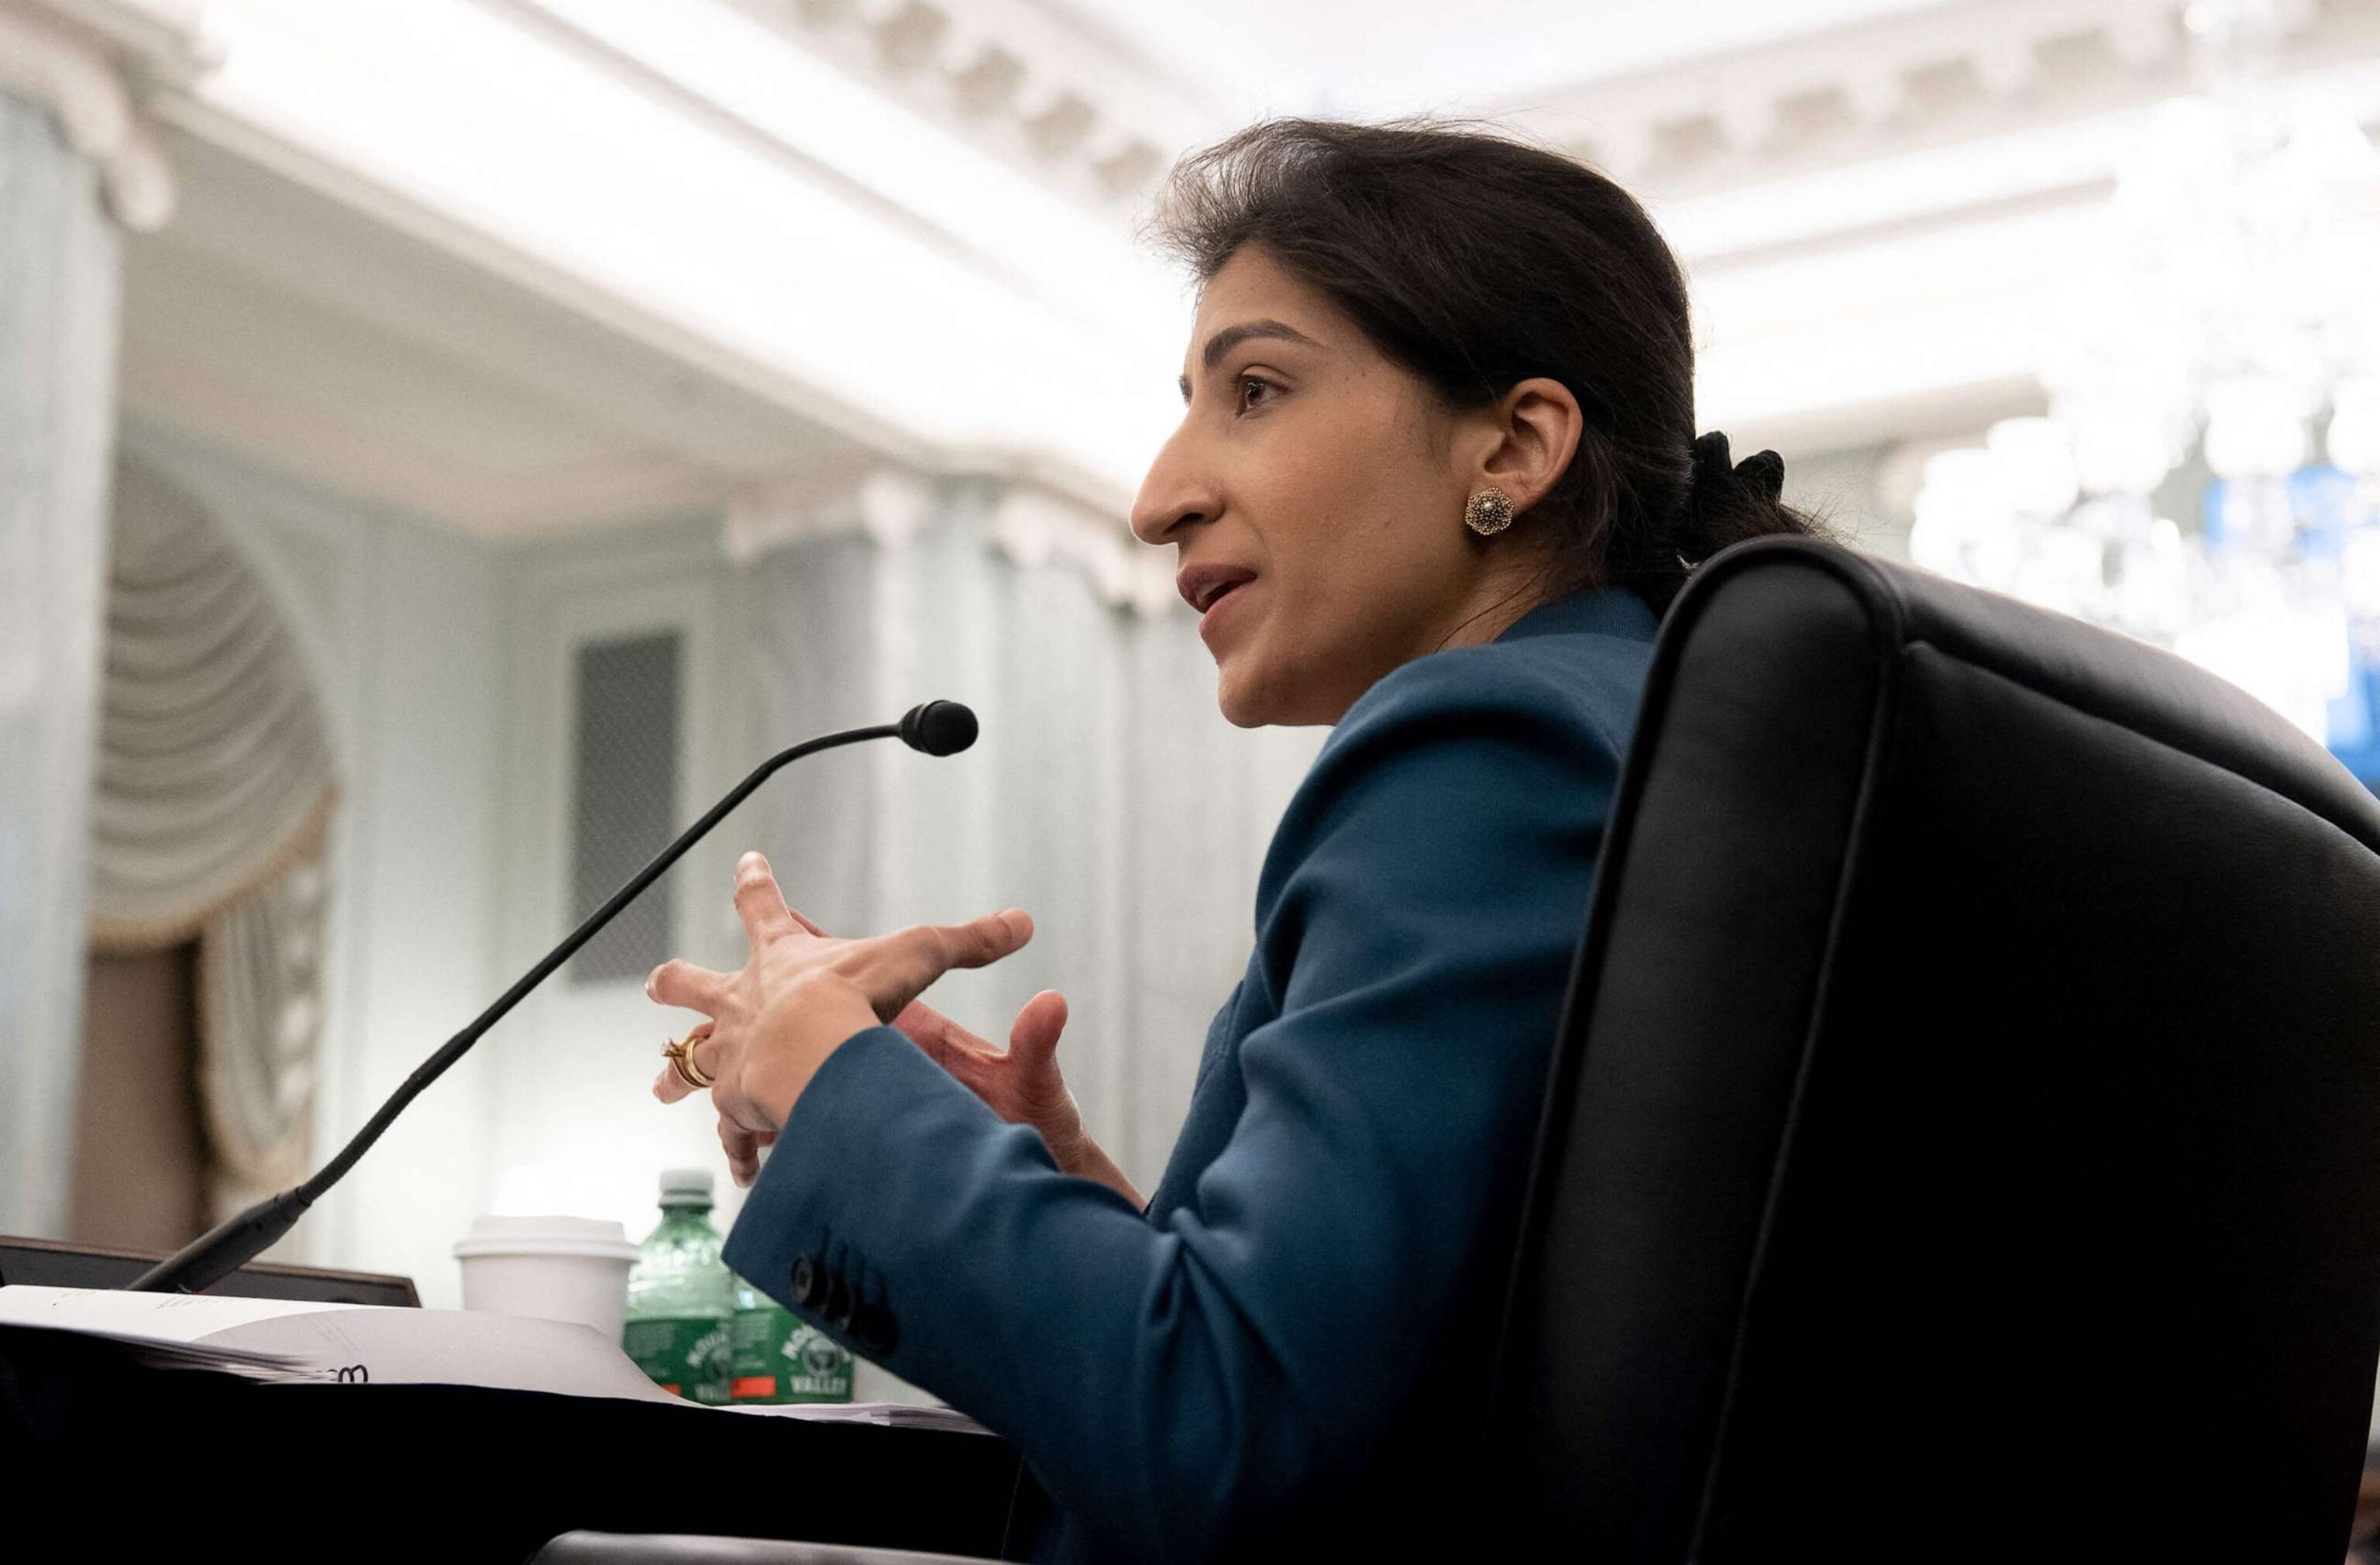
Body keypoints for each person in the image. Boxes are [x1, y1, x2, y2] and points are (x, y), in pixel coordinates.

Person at [643, 119, 1821, 1561]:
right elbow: (1423, 1405)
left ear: (1514, 444)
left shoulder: (1485, 747)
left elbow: (1227, 1444)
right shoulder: (1636, 726)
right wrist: (1070, 1208)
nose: (1158, 498)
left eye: (1255, 389)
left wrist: (829, 1084)